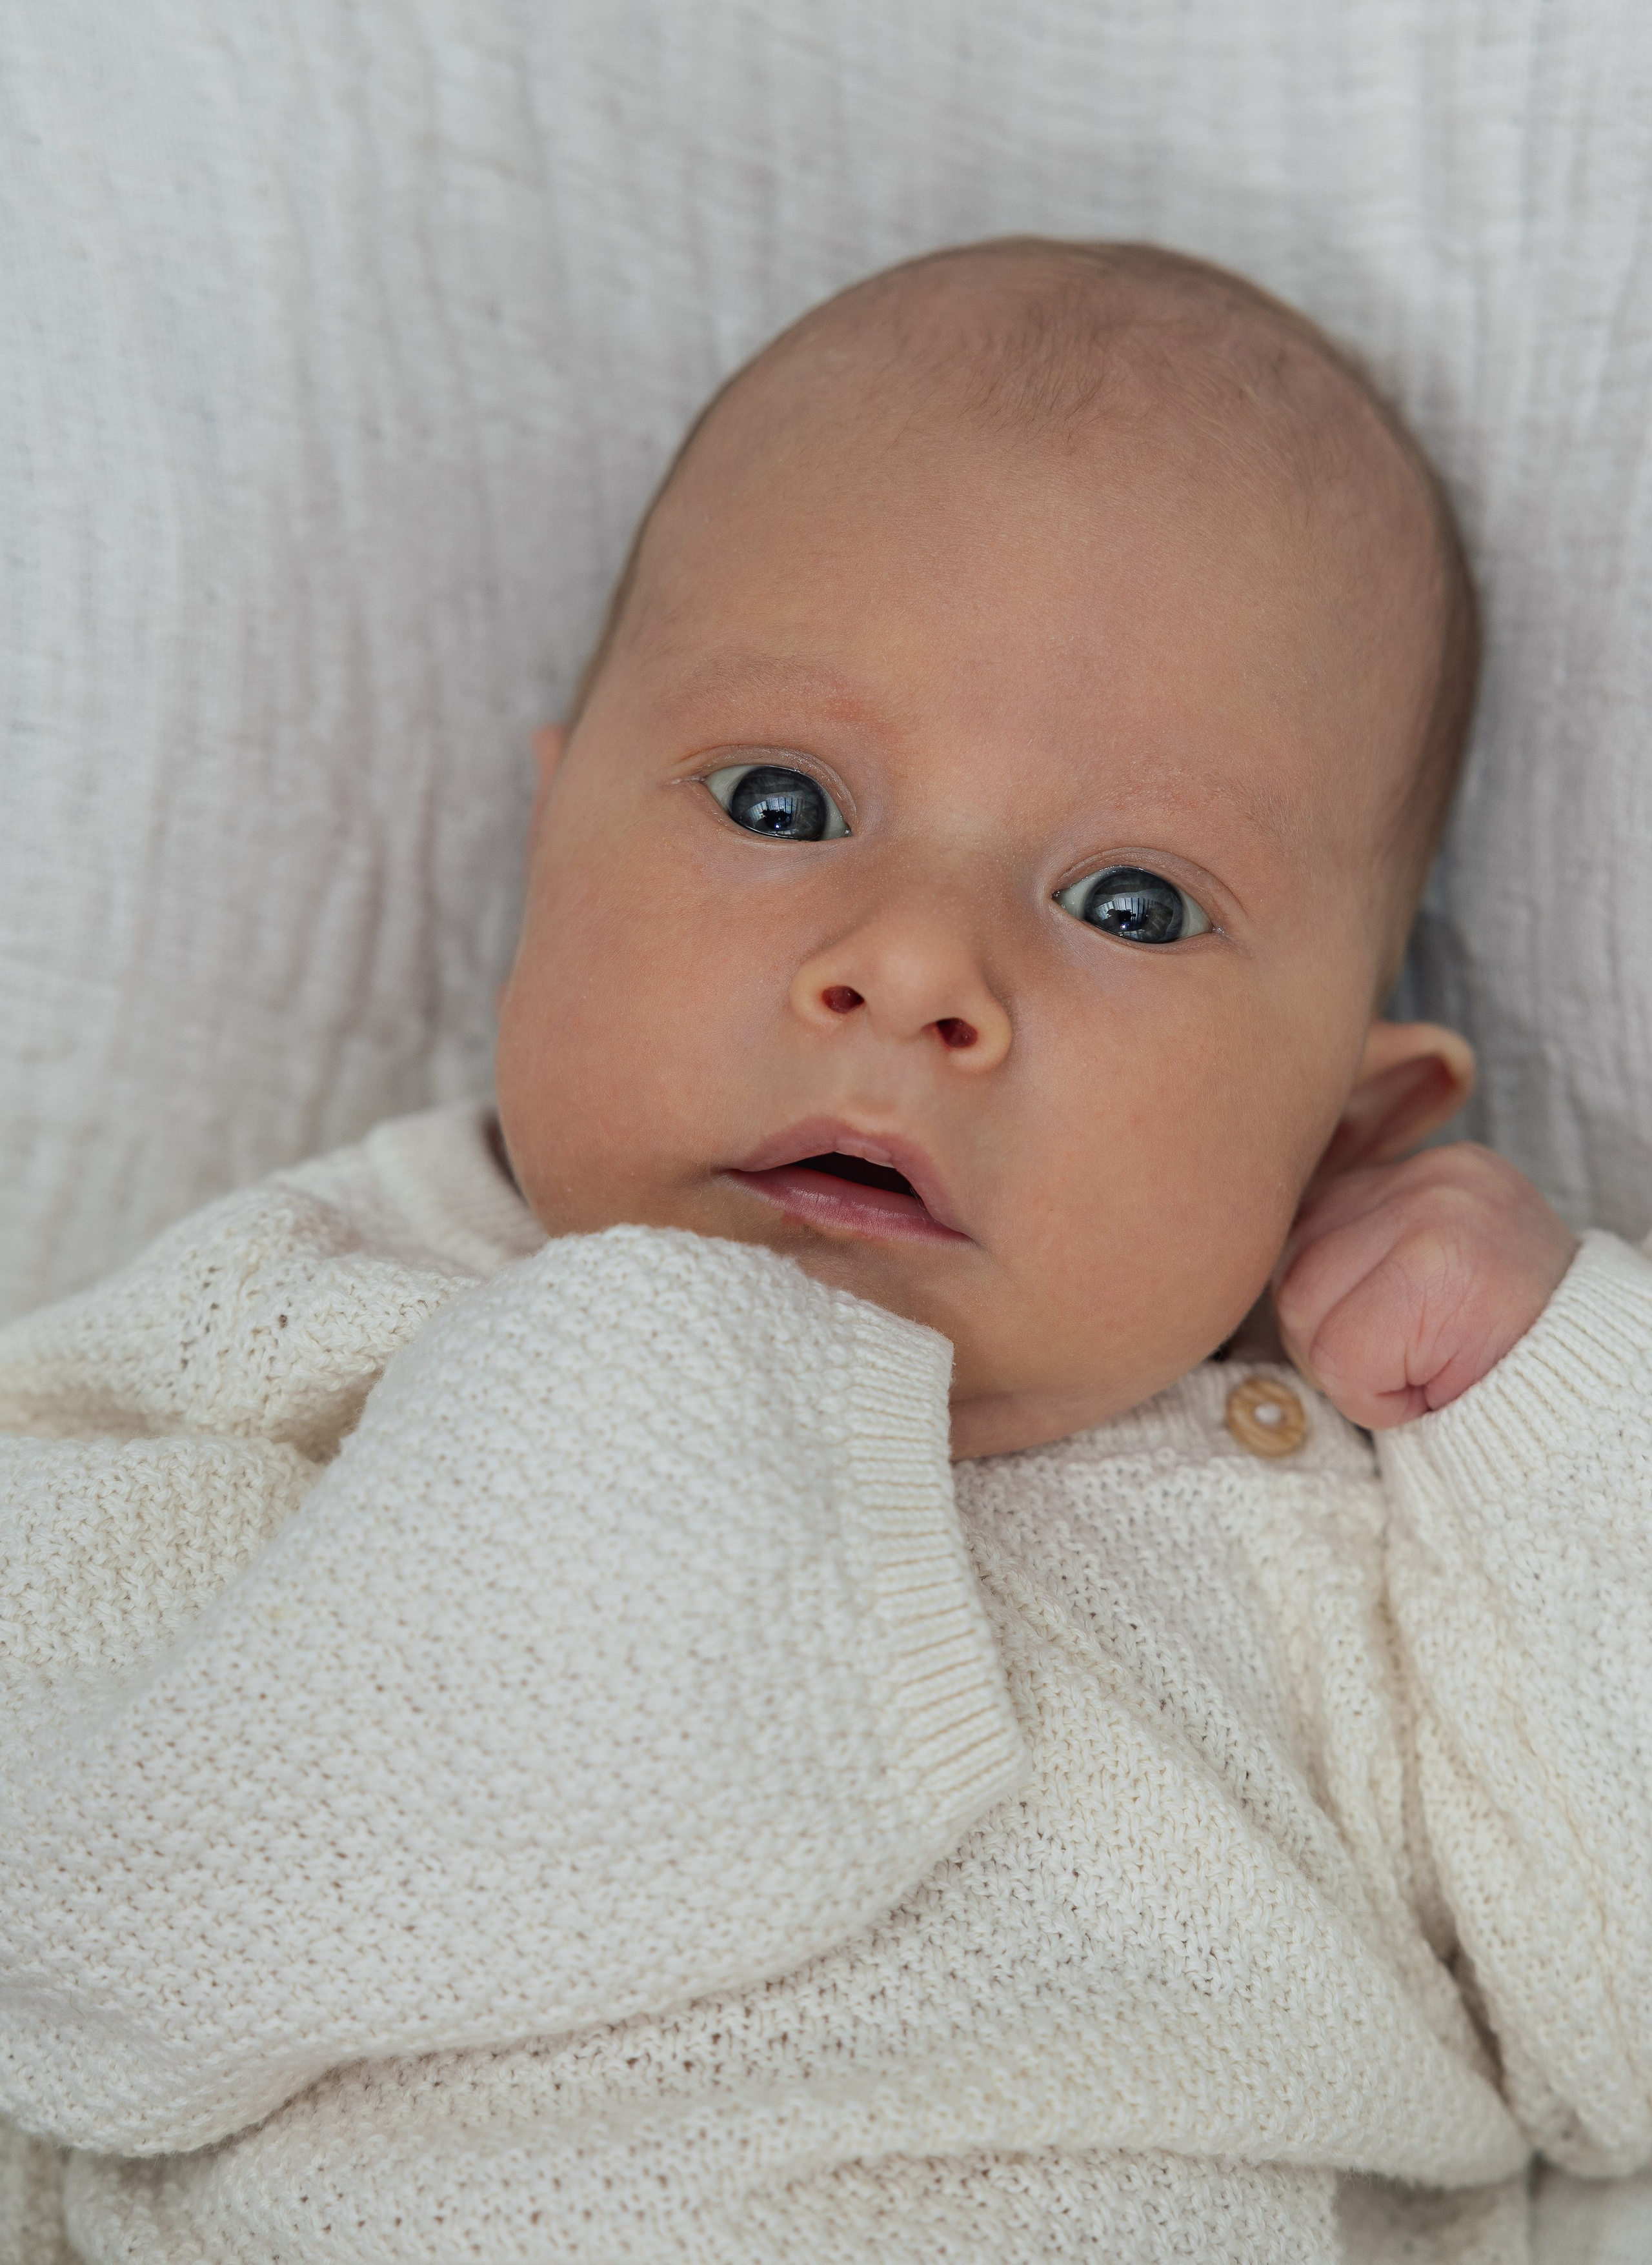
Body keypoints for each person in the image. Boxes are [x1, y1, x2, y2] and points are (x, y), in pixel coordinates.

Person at [3, 239, 1646, 2265]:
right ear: (550, 859)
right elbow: (62, 1880)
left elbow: (1622, 2032)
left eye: (1132, 903)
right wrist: (656, 1414)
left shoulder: (1359, 1528)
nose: (912, 966)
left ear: (1344, 1127)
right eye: (781, 799)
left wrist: (1552, 1396)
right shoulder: (314, 1310)